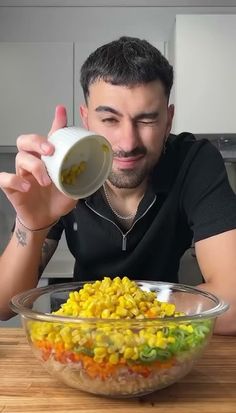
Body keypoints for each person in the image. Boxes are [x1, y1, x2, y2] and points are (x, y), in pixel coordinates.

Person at [0, 36, 236, 334]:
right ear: (86, 119)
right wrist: (30, 225)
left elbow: (234, 303)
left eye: (147, 120)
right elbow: (4, 306)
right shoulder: (62, 168)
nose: (127, 143)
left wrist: (110, 308)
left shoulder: (194, 161)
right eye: (109, 120)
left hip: (167, 340)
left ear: (168, 120)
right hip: (85, 345)